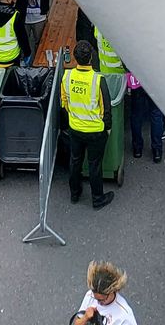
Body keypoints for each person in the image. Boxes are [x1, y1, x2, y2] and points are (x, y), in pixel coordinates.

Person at [61, 40, 115, 209]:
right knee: (94, 165)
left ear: (75, 58)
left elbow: (64, 103)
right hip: (95, 132)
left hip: (75, 128)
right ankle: (97, 199)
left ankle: (74, 194)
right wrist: (108, 128)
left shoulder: (67, 76)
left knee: (75, 161)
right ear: (91, 57)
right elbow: (106, 109)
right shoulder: (98, 80)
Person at [71, 259, 138, 325]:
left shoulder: (124, 315)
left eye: (102, 300)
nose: (98, 303)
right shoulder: (90, 295)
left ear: (112, 291)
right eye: (96, 299)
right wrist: (85, 317)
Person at [127, 71, 165, 163]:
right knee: (156, 114)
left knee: (136, 115)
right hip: (154, 81)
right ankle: (157, 151)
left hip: (136, 81)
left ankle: (137, 149)